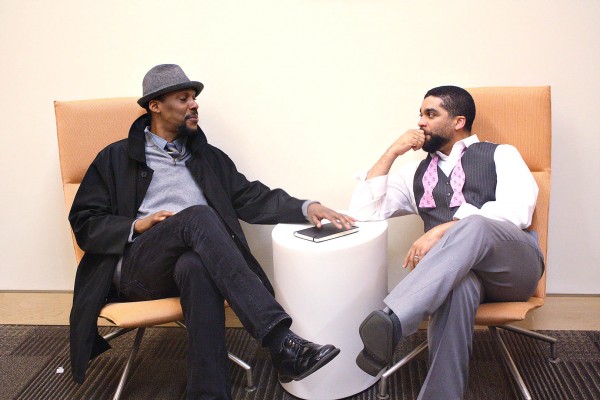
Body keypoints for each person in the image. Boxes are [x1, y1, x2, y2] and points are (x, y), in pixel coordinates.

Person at [69, 64, 355, 400]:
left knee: (196, 265)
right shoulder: (116, 157)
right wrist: (136, 225)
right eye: (184, 98)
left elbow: (251, 197)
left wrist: (307, 207)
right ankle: (280, 343)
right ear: (155, 106)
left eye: (195, 98)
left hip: (182, 266)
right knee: (199, 217)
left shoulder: (207, 158)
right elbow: (84, 222)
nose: (194, 104)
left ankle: (208, 394)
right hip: (135, 269)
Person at [349, 86, 544, 399]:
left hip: (512, 269)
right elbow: (363, 212)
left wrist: (443, 229)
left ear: (458, 121)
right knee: (459, 287)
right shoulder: (416, 172)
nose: (421, 122)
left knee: (476, 223)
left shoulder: (500, 154)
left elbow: (518, 211)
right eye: (421, 114)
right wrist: (391, 153)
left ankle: (394, 318)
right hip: (457, 276)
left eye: (431, 114)